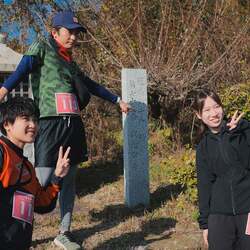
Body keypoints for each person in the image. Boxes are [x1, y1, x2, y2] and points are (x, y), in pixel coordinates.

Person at [0, 10, 130, 250]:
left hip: (73, 124)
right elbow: (22, 69)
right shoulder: (41, 46)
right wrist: (4, 90)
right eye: (69, 32)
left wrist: (117, 100)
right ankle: (17, 232)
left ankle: (64, 231)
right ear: (54, 32)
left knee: (69, 179)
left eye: (76, 33)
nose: (73, 37)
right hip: (50, 123)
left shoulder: (70, 60)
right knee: (39, 181)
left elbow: (91, 85)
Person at [0, 96, 70, 250]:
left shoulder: (28, 167)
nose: (33, 125)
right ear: (7, 124)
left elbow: (43, 203)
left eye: (35, 120)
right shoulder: (2, 152)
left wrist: (57, 176)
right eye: (26, 119)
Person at [193, 89, 250, 250]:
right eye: (207, 110)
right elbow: (204, 186)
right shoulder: (203, 147)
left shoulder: (242, 130)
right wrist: (205, 224)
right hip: (219, 214)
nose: (214, 113)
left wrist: (238, 135)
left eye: (216, 106)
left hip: (248, 209)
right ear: (199, 115)